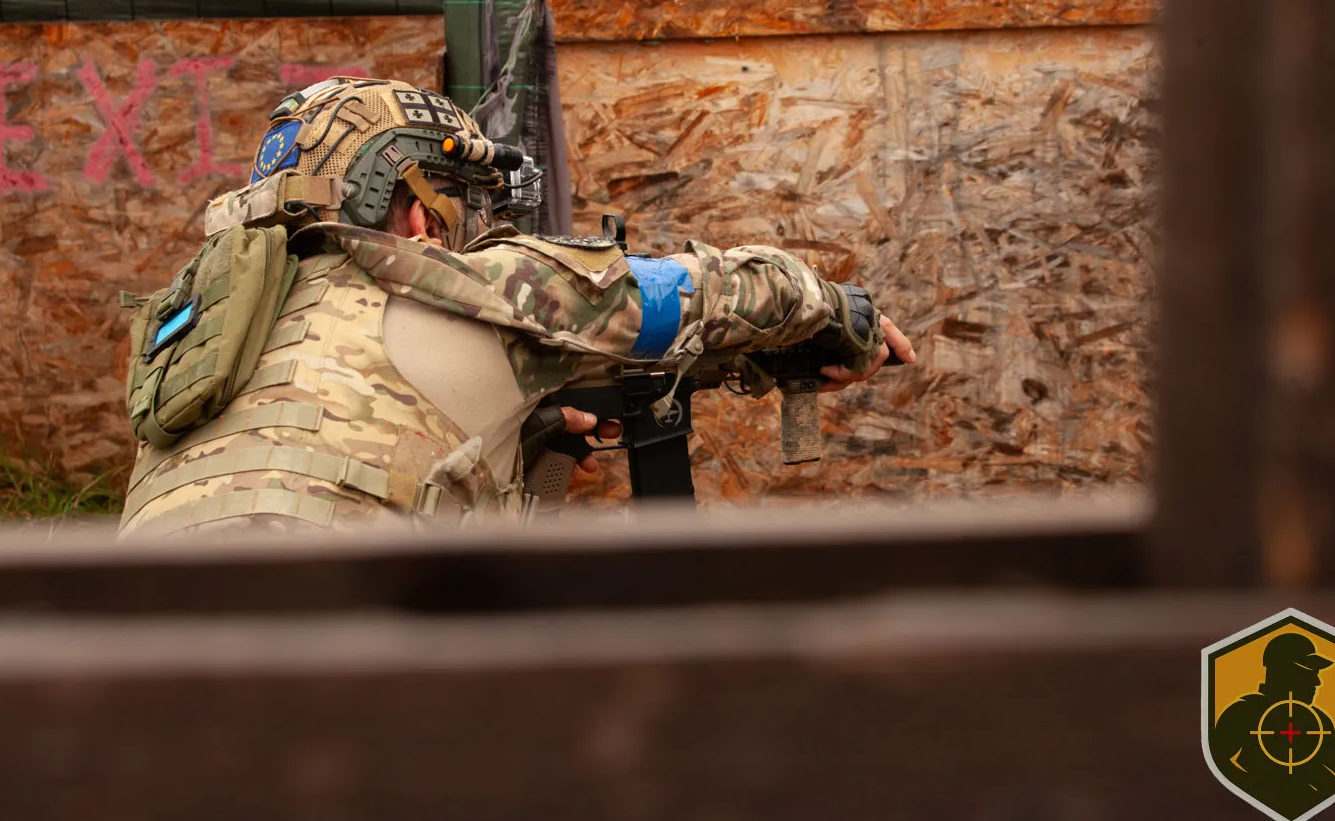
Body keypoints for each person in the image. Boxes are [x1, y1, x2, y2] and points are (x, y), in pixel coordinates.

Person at [118, 77, 915, 538]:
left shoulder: (202, 343)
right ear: (420, 213)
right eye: (465, 204)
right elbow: (717, 292)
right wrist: (842, 316)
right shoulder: (475, 289)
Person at [1210, 632, 1335, 819]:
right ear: (1282, 671)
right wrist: (1258, 789)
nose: (1317, 682)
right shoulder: (1245, 712)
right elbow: (1217, 763)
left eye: (1317, 673)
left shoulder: (1318, 720)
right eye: (1308, 671)